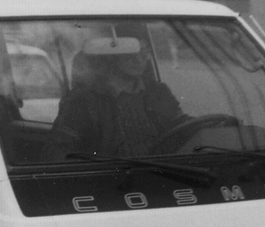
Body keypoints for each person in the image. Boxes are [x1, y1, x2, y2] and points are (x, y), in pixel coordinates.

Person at [47, 37, 187, 158]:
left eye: (144, 53)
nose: (139, 59)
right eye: (130, 53)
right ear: (111, 56)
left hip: (165, 176)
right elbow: (60, 152)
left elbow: (184, 129)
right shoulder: (82, 101)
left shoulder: (159, 92)